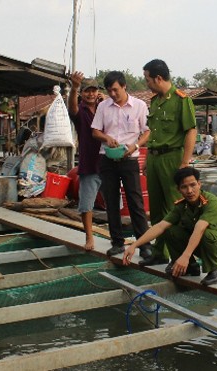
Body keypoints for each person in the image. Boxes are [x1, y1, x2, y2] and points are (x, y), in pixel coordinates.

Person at [123, 167, 217, 286]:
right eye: (184, 187)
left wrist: (185, 256)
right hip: (202, 245)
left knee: (205, 232)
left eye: (193, 185)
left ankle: (215, 269)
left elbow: (200, 228)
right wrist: (134, 245)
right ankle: (190, 267)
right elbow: (160, 226)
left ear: (199, 184)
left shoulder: (211, 202)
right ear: (178, 189)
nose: (189, 191)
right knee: (170, 230)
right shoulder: (182, 206)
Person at [139, 59, 198, 266]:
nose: (146, 83)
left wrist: (185, 163)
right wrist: (147, 159)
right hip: (155, 158)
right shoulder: (155, 101)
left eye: (147, 79)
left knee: (177, 209)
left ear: (158, 78)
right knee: (156, 209)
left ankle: (181, 257)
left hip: (172, 158)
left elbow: (191, 130)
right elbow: (153, 133)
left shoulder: (182, 100)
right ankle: (160, 252)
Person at [91, 71, 152, 258]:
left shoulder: (139, 106)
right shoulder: (103, 106)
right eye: (110, 91)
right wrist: (106, 138)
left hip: (130, 158)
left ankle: (144, 244)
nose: (113, 94)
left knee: (135, 202)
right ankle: (117, 242)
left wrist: (135, 146)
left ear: (124, 86)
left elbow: (148, 132)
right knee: (111, 201)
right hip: (107, 158)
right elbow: (95, 131)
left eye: (116, 90)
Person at [68, 73, 102, 250]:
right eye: (87, 91)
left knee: (115, 204)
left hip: (108, 163)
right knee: (86, 204)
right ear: (82, 93)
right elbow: (72, 107)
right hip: (89, 164)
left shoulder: (104, 108)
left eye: (93, 91)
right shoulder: (80, 111)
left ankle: (116, 237)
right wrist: (74, 87)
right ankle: (89, 237)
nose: (91, 94)